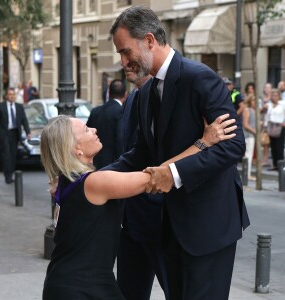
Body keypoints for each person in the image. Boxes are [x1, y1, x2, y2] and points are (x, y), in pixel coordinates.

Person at [109, 6, 250, 299]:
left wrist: (173, 174)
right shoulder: (147, 93)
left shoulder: (199, 78)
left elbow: (234, 145)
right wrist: (92, 179)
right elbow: (141, 153)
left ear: (149, 40)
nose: (123, 62)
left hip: (208, 229)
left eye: (125, 52)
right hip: (171, 230)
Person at [40, 114, 236, 300]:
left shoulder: (69, 181)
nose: (94, 129)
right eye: (86, 130)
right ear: (76, 149)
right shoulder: (95, 183)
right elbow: (156, 178)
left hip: (74, 282)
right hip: (81, 287)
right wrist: (203, 143)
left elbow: (155, 174)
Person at [117, 74, 169, 299]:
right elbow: (131, 154)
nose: (124, 62)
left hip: (162, 221)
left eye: (127, 52)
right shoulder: (132, 99)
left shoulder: (169, 96)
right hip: (130, 220)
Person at [0, 87, 31, 183]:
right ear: (6, 96)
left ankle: (11, 173)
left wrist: (28, 132)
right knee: (7, 154)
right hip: (4, 133)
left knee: (13, 155)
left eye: (13, 95)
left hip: (15, 133)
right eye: (10, 94)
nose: (11, 96)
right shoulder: (0, 106)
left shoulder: (19, 106)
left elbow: (24, 120)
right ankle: (7, 176)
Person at [86, 79, 127, 169]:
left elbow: (86, 135)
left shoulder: (95, 111)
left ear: (109, 93)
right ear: (125, 94)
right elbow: (120, 139)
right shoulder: (120, 111)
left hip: (94, 161)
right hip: (113, 164)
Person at [265, 89, 285, 171]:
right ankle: (274, 164)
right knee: (272, 146)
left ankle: (280, 165)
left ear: (279, 96)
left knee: (279, 147)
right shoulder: (269, 105)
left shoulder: (282, 104)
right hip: (271, 126)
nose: (274, 97)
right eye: (272, 95)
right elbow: (267, 115)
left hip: (280, 126)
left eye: (275, 95)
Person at [242, 94, 256, 181]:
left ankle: (248, 173)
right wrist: (255, 131)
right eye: (253, 101)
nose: (255, 103)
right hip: (248, 135)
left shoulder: (253, 110)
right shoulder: (247, 109)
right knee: (248, 155)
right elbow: (246, 124)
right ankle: (247, 174)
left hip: (251, 135)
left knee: (249, 155)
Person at [260, 83, 272, 166]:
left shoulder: (274, 98)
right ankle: (265, 159)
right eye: (266, 88)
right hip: (264, 122)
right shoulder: (262, 99)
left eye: (268, 88)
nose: (267, 90)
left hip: (273, 122)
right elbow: (259, 110)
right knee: (265, 142)